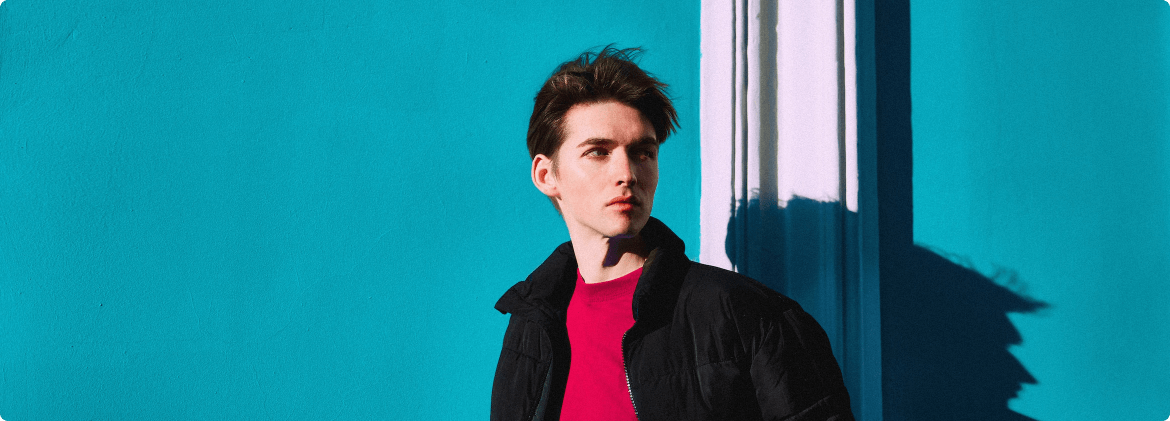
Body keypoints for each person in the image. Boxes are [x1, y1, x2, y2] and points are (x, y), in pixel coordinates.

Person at [491, 46, 855, 421]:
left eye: (643, 153)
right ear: (546, 176)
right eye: (599, 152)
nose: (627, 174)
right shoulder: (531, 327)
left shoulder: (752, 317)